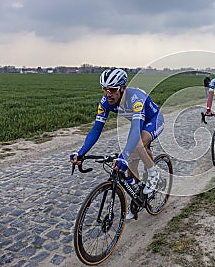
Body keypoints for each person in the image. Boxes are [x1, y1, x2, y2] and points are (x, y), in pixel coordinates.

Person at [70, 68, 164, 220]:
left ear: (123, 88)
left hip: (153, 120)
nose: (108, 93)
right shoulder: (105, 102)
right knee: (131, 163)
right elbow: (96, 129)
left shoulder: (136, 98)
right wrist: (81, 153)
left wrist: (124, 156)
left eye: (112, 89)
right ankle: (136, 197)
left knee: (138, 144)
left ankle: (154, 174)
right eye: (105, 89)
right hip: (138, 124)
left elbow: (136, 129)